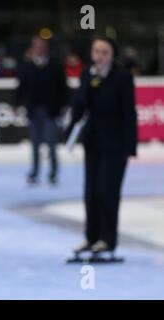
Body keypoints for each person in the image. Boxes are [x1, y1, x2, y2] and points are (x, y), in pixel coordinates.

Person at [69, 36, 138, 260]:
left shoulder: (122, 76)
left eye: (104, 52)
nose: (100, 56)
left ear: (112, 54)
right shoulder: (88, 74)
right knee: (90, 192)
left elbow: (129, 113)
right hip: (93, 142)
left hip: (116, 144)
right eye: (97, 51)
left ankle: (107, 241)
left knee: (107, 192)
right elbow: (80, 105)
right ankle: (91, 237)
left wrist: (130, 147)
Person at [14, 36, 68, 185]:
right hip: (33, 111)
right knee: (35, 144)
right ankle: (35, 173)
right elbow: (21, 86)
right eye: (36, 46)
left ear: (46, 48)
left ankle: (53, 173)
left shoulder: (55, 64)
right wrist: (16, 104)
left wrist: (65, 104)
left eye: (41, 46)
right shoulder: (27, 65)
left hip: (50, 110)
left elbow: (63, 86)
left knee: (51, 144)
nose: (38, 49)